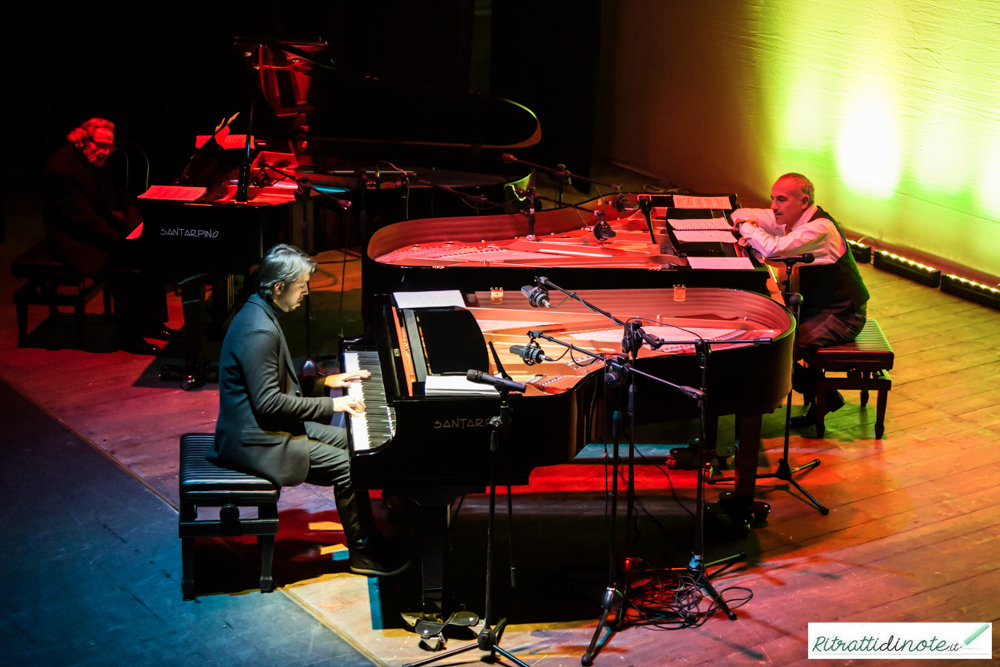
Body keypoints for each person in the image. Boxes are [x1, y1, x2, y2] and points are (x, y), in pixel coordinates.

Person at [208, 244, 408, 577]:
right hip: (255, 441)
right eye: (302, 286)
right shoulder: (259, 331)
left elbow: (278, 389)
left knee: (353, 444)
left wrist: (330, 381)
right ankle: (363, 552)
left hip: (263, 428)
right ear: (279, 287)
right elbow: (269, 404)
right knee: (348, 466)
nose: (306, 292)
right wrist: (334, 402)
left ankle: (370, 537)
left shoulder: (259, 312)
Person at [731, 173, 869, 427]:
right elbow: (741, 212)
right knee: (770, 345)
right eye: (773, 199)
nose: (773, 206)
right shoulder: (790, 219)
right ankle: (823, 395)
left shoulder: (820, 228)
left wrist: (746, 228)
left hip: (842, 314)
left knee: (777, 351)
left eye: (781, 200)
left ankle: (825, 397)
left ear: (803, 201)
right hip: (819, 308)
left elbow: (774, 248)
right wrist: (744, 221)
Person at [42, 118, 170, 354]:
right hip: (72, 238)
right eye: (100, 145)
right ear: (83, 140)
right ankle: (127, 337)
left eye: (109, 146)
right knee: (123, 266)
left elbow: (120, 199)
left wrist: (138, 228)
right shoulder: (61, 168)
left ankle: (151, 323)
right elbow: (82, 219)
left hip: (95, 228)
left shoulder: (99, 160)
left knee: (151, 249)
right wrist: (121, 244)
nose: (105, 151)